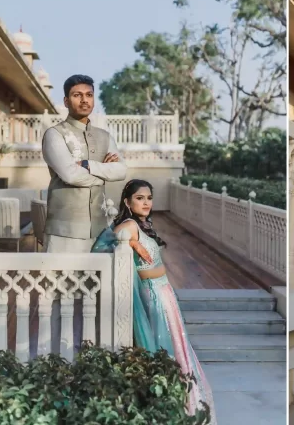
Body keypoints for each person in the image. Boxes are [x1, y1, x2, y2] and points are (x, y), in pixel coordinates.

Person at [93, 179, 217, 421]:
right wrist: (132, 242)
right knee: (162, 346)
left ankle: (181, 403)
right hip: (152, 294)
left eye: (149, 198)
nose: (146, 202)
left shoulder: (142, 224)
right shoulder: (129, 225)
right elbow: (101, 248)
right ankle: (169, 403)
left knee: (175, 344)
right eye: (140, 198)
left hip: (164, 292)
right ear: (127, 202)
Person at [42, 74, 126, 253]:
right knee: (61, 281)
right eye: (77, 95)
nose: (84, 100)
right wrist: (104, 174)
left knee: (97, 281)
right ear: (66, 101)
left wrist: (89, 165)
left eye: (89, 95)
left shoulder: (105, 136)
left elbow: (120, 171)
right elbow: (70, 175)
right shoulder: (55, 134)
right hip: (64, 230)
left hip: (100, 229)